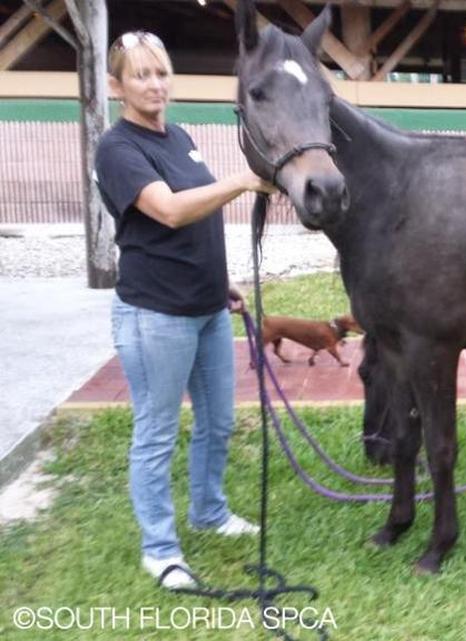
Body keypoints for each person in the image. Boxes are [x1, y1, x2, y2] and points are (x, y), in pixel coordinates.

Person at [94, 31, 275, 590]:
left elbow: (199, 217)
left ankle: (209, 512)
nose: (155, 85)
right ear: (117, 86)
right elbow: (170, 211)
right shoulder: (117, 148)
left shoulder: (179, 137)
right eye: (141, 75)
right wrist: (241, 180)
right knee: (156, 433)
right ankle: (160, 550)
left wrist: (222, 283)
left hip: (207, 307)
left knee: (218, 421)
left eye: (161, 73)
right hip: (155, 315)